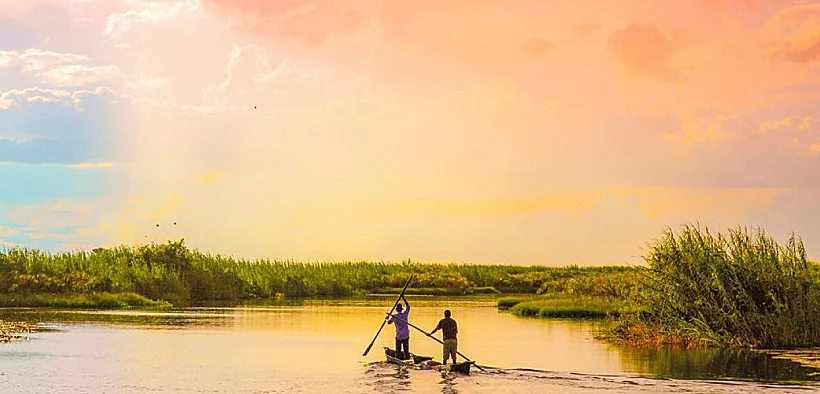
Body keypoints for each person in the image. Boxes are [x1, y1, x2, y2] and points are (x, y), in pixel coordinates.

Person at [387, 295, 411, 360]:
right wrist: (404, 298)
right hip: (406, 334)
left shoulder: (394, 316)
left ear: (397, 310)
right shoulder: (405, 314)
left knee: (398, 350)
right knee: (406, 350)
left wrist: (387, 318)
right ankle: (406, 358)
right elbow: (408, 307)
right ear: (401, 309)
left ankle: (398, 358)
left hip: (399, 335)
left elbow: (388, 323)